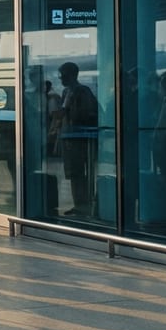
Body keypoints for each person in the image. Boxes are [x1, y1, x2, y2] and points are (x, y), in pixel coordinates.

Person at [55, 62, 98, 216]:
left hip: (79, 139)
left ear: (72, 75)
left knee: (81, 173)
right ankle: (78, 204)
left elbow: (86, 114)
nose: (61, 79)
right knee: (73, 173)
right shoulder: (66, 91)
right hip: (69, 138)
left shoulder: (82, 92)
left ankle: (85, 204)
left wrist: (68, 112)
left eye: (63, 76)